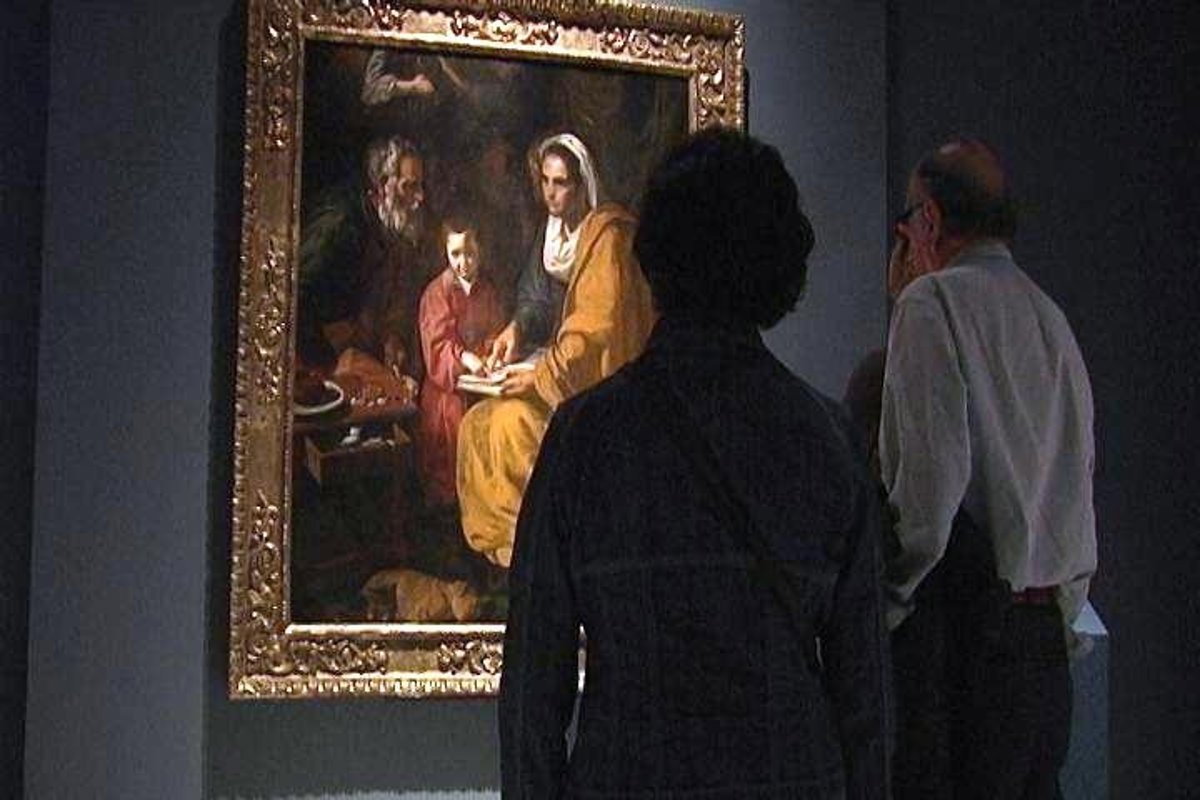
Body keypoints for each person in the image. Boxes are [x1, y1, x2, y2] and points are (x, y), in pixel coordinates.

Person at [500, 129, 891, 799]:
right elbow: (866, 699)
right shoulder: (828, 441)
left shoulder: (584, 439)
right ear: (777, 261)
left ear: (656, 257)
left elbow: (534, 691)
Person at [881, 138, 1097, 798]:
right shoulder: (1051, 318)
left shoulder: (932, 305)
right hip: (1043, 650)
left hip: (966, 646)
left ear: (929, 220)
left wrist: (889, 603)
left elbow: (929, 489)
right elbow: (1076, 484)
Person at [455, 133, 655, 567]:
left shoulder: (608, 238)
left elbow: (594, 334)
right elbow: (536, 301)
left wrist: (538, 377)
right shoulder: (552, 233)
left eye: (561, 182)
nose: (550, 192)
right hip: (556, 372)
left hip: (595, 387)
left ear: (582, 184)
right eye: (544, 181)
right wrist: (515, 330)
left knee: (506, 426)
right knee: (476, 423)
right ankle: (514, 543)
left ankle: (545, 542)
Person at [296, 136, 437, 393]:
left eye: (420, 186)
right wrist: (330, 364)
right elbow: (293, 297)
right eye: (409, 187)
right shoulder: (337, 224)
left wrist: (389, 340)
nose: (419, 198)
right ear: (383, 185)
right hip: (317, 370)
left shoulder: (393, 225)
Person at [415, 217, 507, 507]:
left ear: (481, 251)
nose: (463, 262)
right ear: (445, 252)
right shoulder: (436, 293)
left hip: (481, 388)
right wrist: (465, 358)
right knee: (450, 468)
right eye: (455, 254)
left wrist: (494, 354)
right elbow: (437, 347)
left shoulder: (488, 292)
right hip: (446, 396)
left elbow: (495, 332)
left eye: (469, 253)